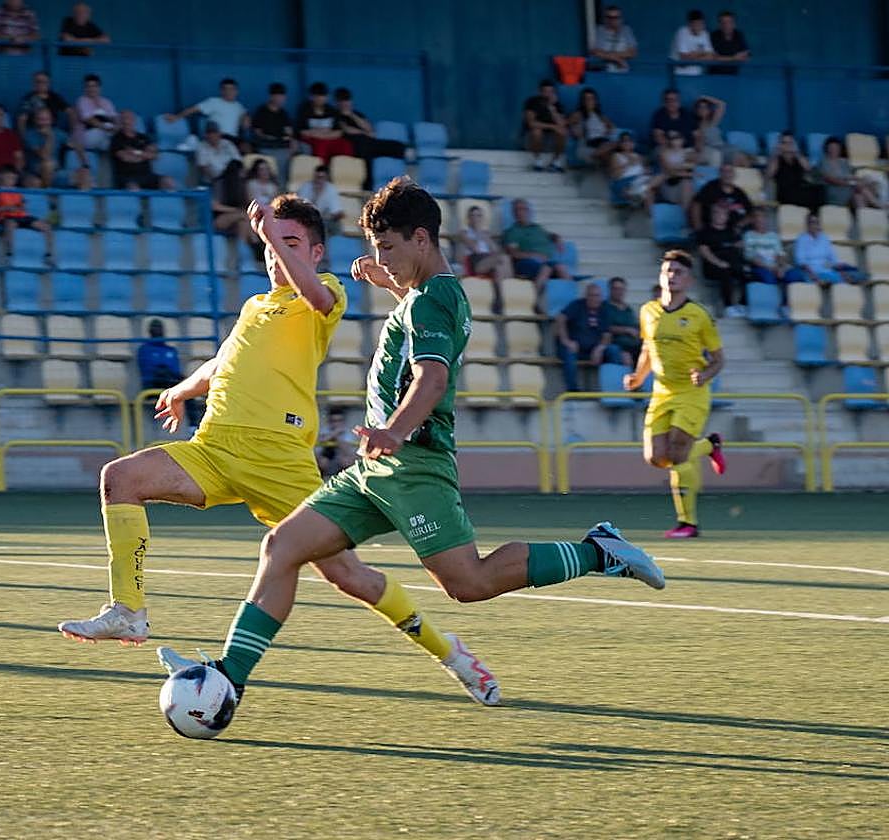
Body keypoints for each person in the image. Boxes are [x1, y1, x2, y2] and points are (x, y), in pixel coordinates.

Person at [156, 178, 664, 714]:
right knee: (282, 547)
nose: (381, 259)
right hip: (374, 469)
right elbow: (423, 323)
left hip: (414, 464)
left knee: (469, 583)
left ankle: (597, 551)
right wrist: (392, 286)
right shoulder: (426, 294)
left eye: (389, 248)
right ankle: (230, 678)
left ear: (421, 239)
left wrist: (394, 431)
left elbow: (431, 380)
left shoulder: (435, 299)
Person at [58, 193, 517, 708]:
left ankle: (450, 652)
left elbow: (318, 300)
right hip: (213, 449)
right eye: (273, 245)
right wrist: (183, 389)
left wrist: (271, 233)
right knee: (120, 478)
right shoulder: (258, 305)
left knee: (349, 576)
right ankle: (128, 611)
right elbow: (224, 362)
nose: (276, 254)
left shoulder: (323, 293)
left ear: (316, 253)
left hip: (279, 460)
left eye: (292, 243)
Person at [624, 250, 727, 539]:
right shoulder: (648, 311)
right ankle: (709, 446)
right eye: (667, 270)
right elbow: (647, 349)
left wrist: (705, 375)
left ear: (690, 280)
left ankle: (688, 523)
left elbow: (719, 359)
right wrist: (637, 376)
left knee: (679, 452)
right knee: (656, 458)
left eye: (678, 272)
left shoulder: (699, 316)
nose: (672, 276)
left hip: (692, 392)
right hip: (662, 393)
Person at [555, 281, 623, 391]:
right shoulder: (577, 305)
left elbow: (607, 334)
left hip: (593, 349)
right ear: (586, 296)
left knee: (614, 350)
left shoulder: (603, 309)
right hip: (574, 347)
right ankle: (573, 390)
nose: (596, 299)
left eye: (598, 296)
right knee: (568, 352)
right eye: (593, 295)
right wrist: (566, 341)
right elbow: (560, 318)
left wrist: (600, 348)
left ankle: (613, 389)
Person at [502, 198, 571, 301]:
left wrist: (557, 238)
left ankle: (569, 300)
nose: (521, 212)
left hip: (545, 263)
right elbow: (513, 253)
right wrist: (533, 255)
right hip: (525, 264)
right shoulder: (513, 231)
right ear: (514, 213)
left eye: (524, 209)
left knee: (561, 268)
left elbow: (550, 235)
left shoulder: (537, 228)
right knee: (547, 268)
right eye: (518, 209)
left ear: (529, 211)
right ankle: (534, 301)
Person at [333, 88, 407, 167]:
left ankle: (409, 159)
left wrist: (351, 114)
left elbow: (369, 128)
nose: (345, 103)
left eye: (347, 100)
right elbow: (347, 129)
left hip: (369, 142)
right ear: (337, 103)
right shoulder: (336, 115)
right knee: (366, 150)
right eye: (342, 101)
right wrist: (365, 133)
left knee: (396, 145)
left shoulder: (357, 114)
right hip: (356, 145)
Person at [697, 201, 747, 316]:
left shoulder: (731, 231)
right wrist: (719, 263)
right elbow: (704, 252)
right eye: (716, 213)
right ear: (712, 215)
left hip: (732, 263)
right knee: (725, 272)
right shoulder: (705, 232)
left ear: (727, 216)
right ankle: (728, 306)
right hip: (713, 266)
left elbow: (739, 246)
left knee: (747, 272)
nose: (719, 216)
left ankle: (742, 305)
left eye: (722, 213)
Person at [168, 78, 248, 145]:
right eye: (225, 89)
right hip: (217, 136)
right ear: (221, 91)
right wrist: (177, 117)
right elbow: (194, 109)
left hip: (233, 140)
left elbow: (244, 126)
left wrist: (245, 119)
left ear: (236, 91)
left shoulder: (239, 107)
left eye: (231, 89)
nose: (228, 92)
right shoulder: (214, 102)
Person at [787, 213, 861, 285]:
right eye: (812, 222)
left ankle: (844, 277)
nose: (815, 225)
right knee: (794, 275)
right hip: (810, 271)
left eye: (817, 223)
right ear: (807, 225)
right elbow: (801, 262)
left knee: (858, 273)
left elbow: (832, 259)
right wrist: (813, 275)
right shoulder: (801, 238)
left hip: (827, 270)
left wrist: (841, 269)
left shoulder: (824, 238)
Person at [0, 164, 51, 253]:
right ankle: (11, 252)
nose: (11, 181)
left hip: (22, 216)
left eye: (13, 178)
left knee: (46, 227)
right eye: (9, 177)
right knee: (10, 224)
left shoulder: (18, 191)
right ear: (1, 176)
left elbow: (22, 206)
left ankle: (48, 253)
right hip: (7, 217)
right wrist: (7, 208)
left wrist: (20, 207)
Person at [817, 136, 881, 210]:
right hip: (837, 193)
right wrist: (852, 184)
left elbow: (851, 176)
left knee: (859, 196)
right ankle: (879, 206)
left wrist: (862, 180)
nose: (834, 150)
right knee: (861, 190)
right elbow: (830, 179)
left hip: (850, 191)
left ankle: (865, 217)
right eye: (831, 148)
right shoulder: (823, 163)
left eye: (836, 148)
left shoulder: (844, 162)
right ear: (826, 149)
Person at [23, 106, 82, 187]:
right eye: (41, 119)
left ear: (51, 120)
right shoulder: (30, 134)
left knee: (83, 176)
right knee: (48, 164)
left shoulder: (58, 133)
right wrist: (49, 137)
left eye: (46, 119)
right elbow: (44, 156)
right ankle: (48, 192)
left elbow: (77, 146)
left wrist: (85, 166)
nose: (44, 123)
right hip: (36, 172)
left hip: (56, 173)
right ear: (35, 120)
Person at [295, 82, 352, 163]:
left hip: (329, 138)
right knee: (321, 145)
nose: (320, 99)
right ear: (312, 97)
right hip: (313, 140)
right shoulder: (304, 109)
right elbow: (302, 131)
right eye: (317, 96)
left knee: (345, 145)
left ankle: (343, 170)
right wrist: (320, 134)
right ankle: (322, 172)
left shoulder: (331, 110)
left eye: (323, 96)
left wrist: (324, 135)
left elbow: (339, 132)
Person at [456, 204, 511, 288]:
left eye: (478, 216)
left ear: (482, 218)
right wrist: (478, 232)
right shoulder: (464, 233)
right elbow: (476, 249)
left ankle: (500, 299)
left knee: (499, 269)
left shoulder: (486, 234)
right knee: (504, 258)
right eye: (473, 216)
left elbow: (495, 251)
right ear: (468, 218)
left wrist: (486, 238)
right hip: (475, 261)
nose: (476, 218)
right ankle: (510, 280)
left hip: (488, 260)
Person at [250, 82, 296, 178]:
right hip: (267, 145)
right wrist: (270, 138)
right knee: (280, 158)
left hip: (282, 144)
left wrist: (292, 142)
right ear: (271, 96)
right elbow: (258, 132)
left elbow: (289, 132)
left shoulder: (283, 113)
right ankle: (280, 187)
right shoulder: (261, 111)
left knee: (303, 149)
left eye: (282, 96)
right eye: (278, 96)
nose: (281, 99)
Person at [689, 162, 752, 231]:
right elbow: (696, 205)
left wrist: (740, 225)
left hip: (734, 232)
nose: (727, 174)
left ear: (734, 175)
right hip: (713, 231)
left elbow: (751, 212)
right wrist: (698, 227)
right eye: (724, 171)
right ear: (720, 174)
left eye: (730, 171)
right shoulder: (710, 187)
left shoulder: (739, 192)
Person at [766, 131, 822, 210]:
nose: (787, 145)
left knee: (819, 190)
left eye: (790, 143)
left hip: (800, 188)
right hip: (785, 192)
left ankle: (814, 216)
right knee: (805, 196)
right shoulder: (776, 159)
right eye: (784, 143)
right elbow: (769, 175)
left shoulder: (797, 157)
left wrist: (796, 152)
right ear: (780, 144)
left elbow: (808, 168)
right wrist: (775, 154)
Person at [521, 79, 567, 172]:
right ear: (540, 92)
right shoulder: (532, 102)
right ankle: (538, 161)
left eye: (551, 92)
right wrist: (552, 126)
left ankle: (556, 162)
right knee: (537, 131)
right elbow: (532, 123)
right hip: (532, 139)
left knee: (562, 132)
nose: (548, 94)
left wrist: (552, 108)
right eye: (546, 91)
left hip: (550, 139)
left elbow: (561, 124)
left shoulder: (557, 105)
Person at [692, 95, 747, 168]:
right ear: (697, 110)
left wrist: (704, 97)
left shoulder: (713, 121)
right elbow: (698, 147)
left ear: (709, 110)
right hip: (712, 150)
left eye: (705, 107)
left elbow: (722, 104)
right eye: (700, 107)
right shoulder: (696, 126)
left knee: (742, 157)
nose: (702, 109)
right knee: (735, 159)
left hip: (723, 146)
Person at [568, 87, 616, 167]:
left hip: (604, 140)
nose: (590, 101)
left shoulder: (600, 116)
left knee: (611, 152)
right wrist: (574, 129)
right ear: (583, 102)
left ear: (596, 101)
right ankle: (596, 154)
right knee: (613, 147)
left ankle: (596, 155)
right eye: (587, 99)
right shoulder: (578, 114)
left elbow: (612, 126)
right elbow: (567, 123)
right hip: (592, 141)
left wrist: (608, 130)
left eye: (592, 98)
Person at [109, 110, 158, 189]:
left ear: (134, 120)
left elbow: (155, 155)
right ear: (120, 121)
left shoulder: (144, 137)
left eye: (129, 118)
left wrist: (135, 152)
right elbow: (126, 158)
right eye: (124, 118)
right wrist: (144, 155)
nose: (127, 121)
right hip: (127, 177)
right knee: (133, 187)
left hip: (147, 175)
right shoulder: (116, 139)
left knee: (168, 182)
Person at [742, 207, 787, 288]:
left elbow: (780, 254)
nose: (759, 219)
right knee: (769, 278)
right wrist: (771, 268)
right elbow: (750, 257)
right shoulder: (748, 235)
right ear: (753, 220)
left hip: (776, 266)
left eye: (762, 216)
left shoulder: (774, 236)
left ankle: (789, 300)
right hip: (760, 267)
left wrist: (781, 267)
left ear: (766, 219)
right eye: (756, 216)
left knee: (795, 276)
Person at [16, 71, 73, 136]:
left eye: (44, 82)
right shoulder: (28, 98)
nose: (41, 84)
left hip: (52, 130)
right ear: (33, 83)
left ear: (49, 83)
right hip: (35, 131)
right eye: (38, 81)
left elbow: (71, 112)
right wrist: (23, 139)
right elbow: (22, 119)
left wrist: (71, 132)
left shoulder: (55, 97)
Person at [609, 131, 656, 208]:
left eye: (630, 141)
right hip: (626, 183)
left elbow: (645, 171)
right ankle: (637, 195)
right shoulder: (616, 156)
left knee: (651, 189)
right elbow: (615, 176)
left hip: (640, 181)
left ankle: (649, 213)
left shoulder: (639, 156)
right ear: (620, 144)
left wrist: (647, 171)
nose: (627, 143)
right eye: (624, 141)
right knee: (647, 190)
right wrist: (628, 164)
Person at [294, 164, 343, 236]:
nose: (319, 180)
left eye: (322, 177)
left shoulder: (331, 189)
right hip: (306, 218)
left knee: (336, 225)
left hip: (323, 219)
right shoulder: (305, 187)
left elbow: (337, 212)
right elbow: (300, 208)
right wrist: (316, 195)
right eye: (317, 177)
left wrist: (329, 216)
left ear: (326, 178)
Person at [72, 73, 117, 153]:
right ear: (85, 88)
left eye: (94, 86)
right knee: (105, 133)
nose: (91, 89)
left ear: (99, 87)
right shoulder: (82, 101)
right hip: (87, 135)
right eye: (88, 86)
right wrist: (106, 128)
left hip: (105, 136)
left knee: (126, 130)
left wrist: (116, 128)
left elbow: (114, 117)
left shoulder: (106, 102)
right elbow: (88, 120)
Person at [655, 130, 696, 210]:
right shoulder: (663, 154)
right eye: (672, 138)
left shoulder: (687, 152)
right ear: (669, 140)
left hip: (684, 182)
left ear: (682, 139)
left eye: (678, 138)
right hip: (669, 184)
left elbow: (692, 166)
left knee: (688, 184)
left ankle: (685, 212)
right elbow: (670, 172)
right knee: (687, 183)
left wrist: (677, 167)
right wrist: (685, 171)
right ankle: (684, 214)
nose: (675, 141)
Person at [590, 5, 638, 72]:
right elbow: (596, 51)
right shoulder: (600, 30)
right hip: (603, 71)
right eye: (609, 17)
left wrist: (612, 56)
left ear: (620, 18)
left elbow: (632, 52)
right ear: (605, 18)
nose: (612, 20)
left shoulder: (626, 30)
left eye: (615, 17)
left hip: (623, 70)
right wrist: (618, 60)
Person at [604, 276, 640, 363]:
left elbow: (635, 325)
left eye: (621, 289)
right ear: (610, 290)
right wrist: (626, 330)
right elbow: (605, 327)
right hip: (617, 344)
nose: (619, 292)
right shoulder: (604, 307)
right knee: (625, 357)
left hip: (635, 344)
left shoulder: (628, 309)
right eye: (616, 289)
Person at [668, 9, 715, 76]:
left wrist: (694, 55)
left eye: (701, 24)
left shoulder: (705, 34)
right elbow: (683, 57)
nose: (699, 27)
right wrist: (702, 53)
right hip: (678, 73)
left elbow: (711, 56)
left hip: (696, 73)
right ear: (689, 24)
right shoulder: (682, 32)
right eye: (696, 24)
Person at [316, 406, 356, 478]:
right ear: (329, 421)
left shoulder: (347, 432)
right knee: (323, 461)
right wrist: (335, 433)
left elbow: (349, 452)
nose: (336, 423)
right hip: (326, 458)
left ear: (343, 421)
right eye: (333, 421)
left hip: (340, 458)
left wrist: (337, 438)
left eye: (339, 420)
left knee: (346, 461)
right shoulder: (324, 430)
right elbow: (320, 444)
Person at [709, 10, 750, 75]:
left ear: (734, 24)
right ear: (719, 25)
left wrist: (724, 58)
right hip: (715, 75)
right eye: (723, 22)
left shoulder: (739, 35)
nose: (726, 25)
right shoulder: (713, 36)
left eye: (729, 22)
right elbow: (713, 57)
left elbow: (746, 54)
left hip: (733, 75)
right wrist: (733, 58)